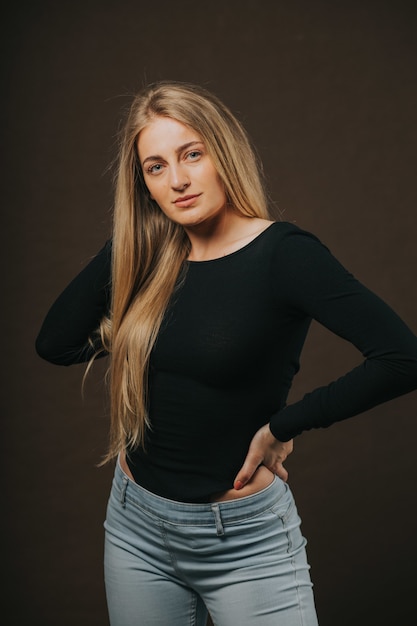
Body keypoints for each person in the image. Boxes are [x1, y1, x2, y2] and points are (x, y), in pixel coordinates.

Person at [36, 80, 417, 626]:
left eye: (192, 154)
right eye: (156, 167)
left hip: (243, 540)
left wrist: (284, 424)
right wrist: (127, 240)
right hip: (135, 525)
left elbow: (402, 357)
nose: (179, 180)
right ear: (143, 185)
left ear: (223, 152)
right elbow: (56, 344)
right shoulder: (152, 258)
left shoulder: (284, 255)